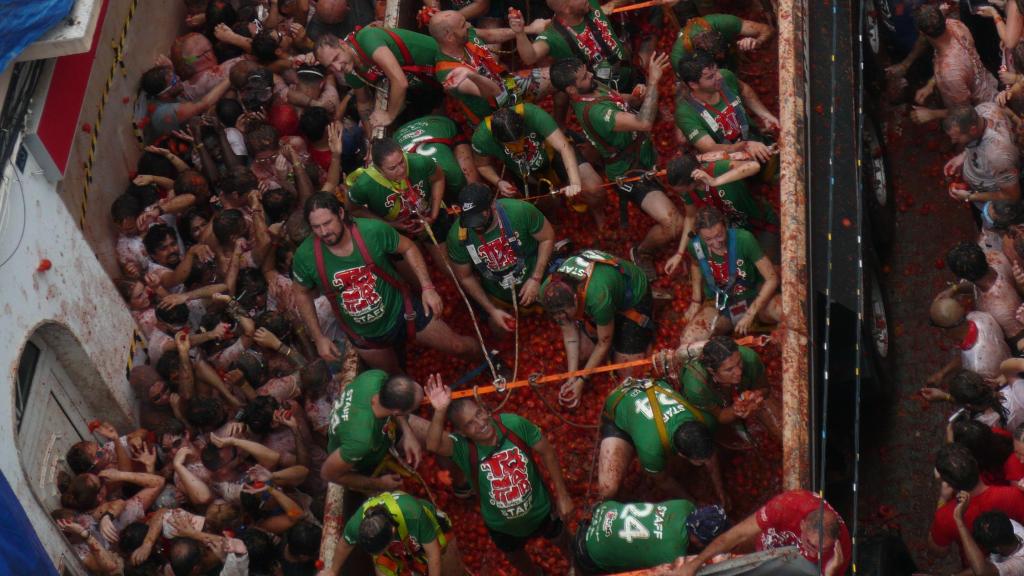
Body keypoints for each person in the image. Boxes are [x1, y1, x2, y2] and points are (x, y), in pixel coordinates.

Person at [292, 192, 479, 373]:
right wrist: (318, 337)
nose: (324, 232)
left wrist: (427, 288)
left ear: (341, 214)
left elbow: (408, 247)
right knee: (394, 375)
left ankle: (490, 362)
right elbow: (301, 293)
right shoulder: (305, 256)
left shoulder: (371, 231)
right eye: (316, 227)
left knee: (458, 346)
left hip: (403, 312)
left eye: (327, 223)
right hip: (364, 335)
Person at [424, 375, 574, 576]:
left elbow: (546, 450)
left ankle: (578, 564)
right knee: (515, 556)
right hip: (501, 524)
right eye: (470, 424)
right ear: (462, 432)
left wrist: (563, 495)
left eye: (479, 414)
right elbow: (432, 444)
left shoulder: (513, 424)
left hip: (540, 509)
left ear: (485, 409)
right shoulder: (462, 448)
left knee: (562, 539)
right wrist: (440, 409)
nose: (480, 423)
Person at [550, 54, 683, 278]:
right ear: (572, 90)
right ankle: (641, 252)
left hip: (643, 152)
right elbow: (644, 123)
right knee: (674, 224)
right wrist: (652, 83)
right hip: (630, 171)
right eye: (583, 77)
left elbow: (615, 98)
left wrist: (633, 97)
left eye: (587, 71)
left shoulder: (590, 87)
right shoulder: (596, 113)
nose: (591, 75)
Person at [539, 249, 654, 407]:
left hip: (632, 296)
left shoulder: (597, 295)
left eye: (565, 314)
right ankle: (609, 327)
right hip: (603, 299)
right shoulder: (548, 291)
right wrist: (573, 376)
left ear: (575, 298)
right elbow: (570, 334)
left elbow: (603, 342)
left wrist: (582, 380)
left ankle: (642, 340)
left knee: (628, 373)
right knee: (582, 354)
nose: (562, 319)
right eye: (557, 316)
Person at [447, 183, 555, 333]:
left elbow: (547, 238)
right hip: (498, 293)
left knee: (557, 310)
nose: (475, 226)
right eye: (469, 219)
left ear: (492, 205)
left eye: (479, 216)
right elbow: (465, 277)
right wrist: (492, 310)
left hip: (537, 277)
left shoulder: (519, 211)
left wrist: (536, 278)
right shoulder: (457, 237)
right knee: (498, 330)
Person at [471, 103, 606, 222]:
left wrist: (575, 182)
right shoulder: (482, 138)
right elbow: (482, 165)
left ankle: (599, 214)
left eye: (520, 140)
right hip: (523, 171)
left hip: (553, 153)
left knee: (594, 188)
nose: (518, 147)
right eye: (511, 145)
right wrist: (498, 182)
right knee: (542, 207)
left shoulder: (533, 114)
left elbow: (564, 147)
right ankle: (554, 222)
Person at [597, 376, 722, 502]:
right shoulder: (651, 449)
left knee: (675, 466)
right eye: (700, 461)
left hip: (646, 390)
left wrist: (720, 491)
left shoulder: (705, 419)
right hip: (620, 403)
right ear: (681, 454)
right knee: (608, 489)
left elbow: (710, 454)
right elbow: (662, 480)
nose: (706, 461)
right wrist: (690, 502)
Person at [674, 489, 851, 576]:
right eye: (811, 545)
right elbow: (737, 534)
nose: (816, 552)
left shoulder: (838, 554)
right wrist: (695, 563)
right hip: (771, 543)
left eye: (823, 548)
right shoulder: (787, 505)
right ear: (803, 525)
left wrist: (831, 572)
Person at [429, 10, 551, 127]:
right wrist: (471, 74)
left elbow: (491, 35)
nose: (468, 25)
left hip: (507, 83)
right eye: (462, 25)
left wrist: (530, 29)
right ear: (450, 37)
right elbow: (494, 92)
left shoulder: (466, 34)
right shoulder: (448, 72)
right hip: (494, 115)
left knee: (556, 74)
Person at [663, 151, 778, 274]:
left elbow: (754, 166)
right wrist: (679, 254)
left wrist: (715, 181)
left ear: (694, 178)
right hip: (732, 232)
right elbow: (690, 217)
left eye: (684, 189)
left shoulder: (718, 169)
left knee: (769, 270)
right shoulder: (688, 192)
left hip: (760, 223)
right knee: (746, 273)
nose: (683, 193)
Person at [680, 206, 781, 345]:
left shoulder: (744, 239)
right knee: (688, 341)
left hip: (755, 296)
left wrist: (751, 313)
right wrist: (696, 300)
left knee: (786, 311)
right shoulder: (695, 246)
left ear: (726, 226)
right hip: (720, 305)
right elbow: (696, 265)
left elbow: (772, 278)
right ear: (700, 236)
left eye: (719, 235)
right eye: (708, 239)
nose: (716, 243)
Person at [319, 369, 430, 493]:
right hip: (359, 460)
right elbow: (327, 474)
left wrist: (408, 433)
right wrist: (379, 483)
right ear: (397, 412)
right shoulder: (361, 441)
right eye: (414, 408)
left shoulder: (376, 377)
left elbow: (395, 404)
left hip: (378, 435)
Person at [345, 137, 451, 266]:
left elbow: (438, 178)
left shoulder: (419, 162)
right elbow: (354, 209)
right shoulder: (364, 185)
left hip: (427, 215)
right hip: (395, 230)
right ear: (379, 170)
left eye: (402, 162)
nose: (401, 170)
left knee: (447, 265)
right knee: (417, 278)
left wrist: (433, 216)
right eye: (392, 168)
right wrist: (390, 225)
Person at [313, 29, 441, 130]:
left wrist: (389, 115)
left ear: (343, 44)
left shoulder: (367, 39)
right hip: (432, 84)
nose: (337, 67)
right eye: (330, 66)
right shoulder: (351, 71)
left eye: (336, 58)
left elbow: (400, 82)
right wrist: (371, 140)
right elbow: (363, 104)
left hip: (445, 60)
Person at [891, 4, 998, 125]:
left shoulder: (948, 73)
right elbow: (960, 68)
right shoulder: (956, 25)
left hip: (983, 113)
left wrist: (932, 114)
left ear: (921, 32)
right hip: (988, 86)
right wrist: (931, 84)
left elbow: (966, 113)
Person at [318, 490, 465, 576]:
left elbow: (434, 555)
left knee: (450, 567)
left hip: (426, 534)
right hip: (399, 549)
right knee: (382, 567)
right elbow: (345, 545)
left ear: (392, 532)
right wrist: (333, 570)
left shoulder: (412, 514)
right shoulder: (357, 525)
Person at [674, 51, 779, 165]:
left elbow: (745, 91)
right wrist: (746, 146)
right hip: (729, 161)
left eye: (717, 70)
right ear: (693, 84)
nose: (719, 76)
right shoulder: (686, 113)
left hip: (753, 137)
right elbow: (709, 147)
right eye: (710, 77)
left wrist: (765, 115)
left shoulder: (726, 77)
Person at [572, 500, 730, 574]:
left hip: (600, 513)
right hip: (592, 551)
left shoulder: (684, 505)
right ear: (698, 539)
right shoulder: (674, 554)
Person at [930, 443, 1024, 558]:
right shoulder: (1013, 495)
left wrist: (942, 499)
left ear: (947, 482)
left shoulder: (945, 516)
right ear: (976, 464)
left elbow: (939, 551)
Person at [514, 0, 633, 91]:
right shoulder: (553, 35)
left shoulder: (589, 5)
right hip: (602, 95)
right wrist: (520, 33)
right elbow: (530, 57)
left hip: (631, 76)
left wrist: (613, 3)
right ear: (567, 9)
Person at [679, 335, 781, 441]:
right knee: (709, 425)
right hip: (704, 400)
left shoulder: (749, 358)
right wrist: (735, 412)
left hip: (733, 391)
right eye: (729, 370)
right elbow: (720, 416)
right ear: (712, 371)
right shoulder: (697, 387)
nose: (739, 372)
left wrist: (756, 395)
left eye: (739, 363)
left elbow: (765, 388)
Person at [944, 105, 1021, 206]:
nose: (953, 141)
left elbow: (1012, 196)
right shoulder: (982, 108)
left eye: (957, 138)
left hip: (992, 202)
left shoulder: (998, 156)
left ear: (973, 130)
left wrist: (970, 196)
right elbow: (975, 141)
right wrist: (963, 156)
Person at [394, 114, 479, 204]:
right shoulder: (406, 173)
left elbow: (465, 191)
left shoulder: (453, 173)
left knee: (471, 186)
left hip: (438, 124)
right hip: (402, 134)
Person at [926, 297, 1010, 383]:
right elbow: (966, 355)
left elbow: (988, 394)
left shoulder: (976, 370)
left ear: (943, 331)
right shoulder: (979, 316)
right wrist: (943, 373)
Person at [669, 11, 774, 71]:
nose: (721, 55)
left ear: (720, 33)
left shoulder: (722, 23)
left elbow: (768, 30)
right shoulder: (679, 59)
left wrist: (757, 42)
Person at [954, 493, 1024, 576]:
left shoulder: (1018, 565)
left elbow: (981, 571)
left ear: (996, 548)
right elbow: (982, 566)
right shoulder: (1006, 526)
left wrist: (958, 519)